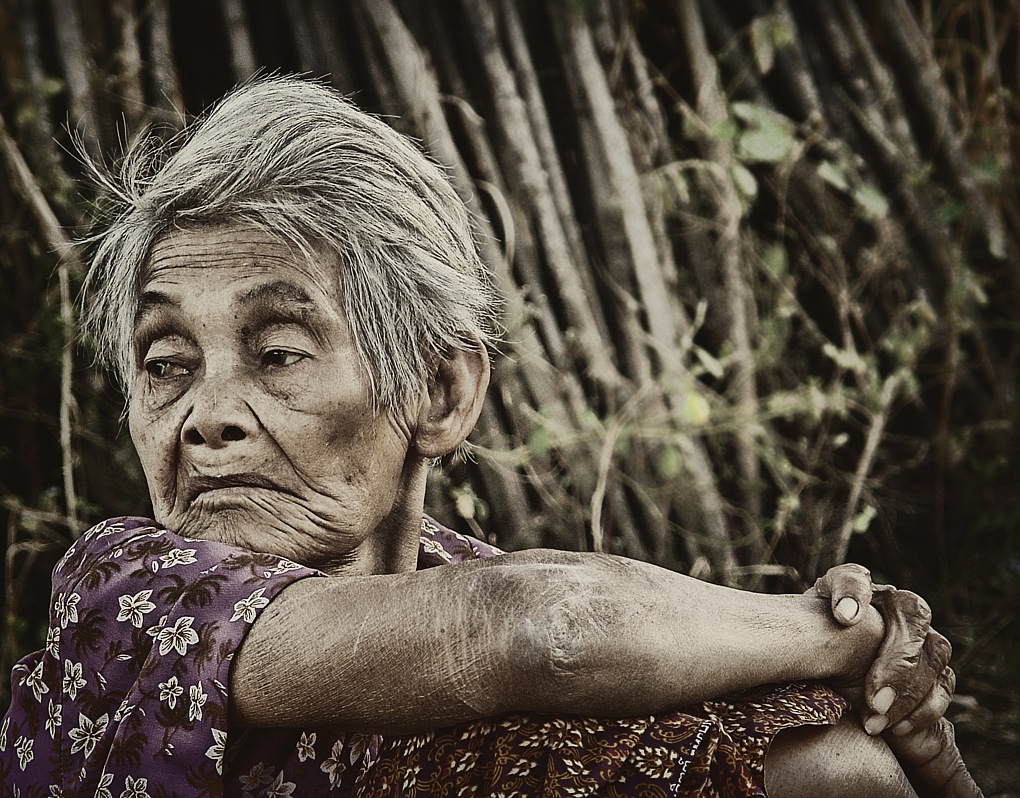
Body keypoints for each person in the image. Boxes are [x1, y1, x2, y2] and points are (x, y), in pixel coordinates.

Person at [0, 77, 981, 797]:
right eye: (166, 360)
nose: (206, 414)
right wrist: (837, 635)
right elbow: (539, 629)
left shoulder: (465, 579)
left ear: (438, 389)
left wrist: (922, 747)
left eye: (279, 351)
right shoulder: (126, 596)